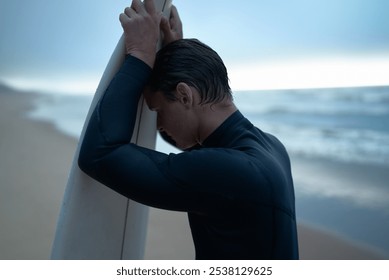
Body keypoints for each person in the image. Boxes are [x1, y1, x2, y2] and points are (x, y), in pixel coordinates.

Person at [78, 0, 299, 260]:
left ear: (184, 95)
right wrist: (172, 54)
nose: (158, 125)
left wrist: (140, 56)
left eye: (158, 111)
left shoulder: (231, 173)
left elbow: (99, 154)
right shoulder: (272, 148)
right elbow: (192, 148)